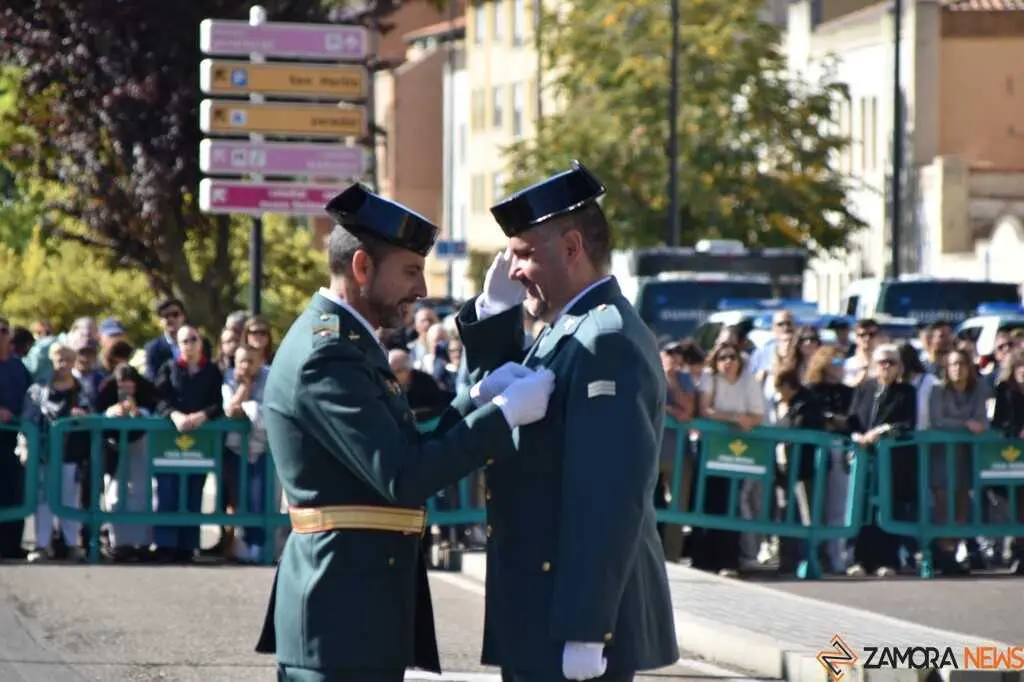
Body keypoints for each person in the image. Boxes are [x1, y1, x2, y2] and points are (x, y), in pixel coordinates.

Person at [253, 183, 556, 682]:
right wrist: (502, 415)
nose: (421, 290)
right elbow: (404, 475)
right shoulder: (328, 355)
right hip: (341, 614)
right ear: (362, 267)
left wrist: (476, 399)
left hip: (354, 610)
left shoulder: (348, 344)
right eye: (411, 271)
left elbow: (407, 446)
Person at [455, 161, 679, 682]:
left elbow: (607, 496)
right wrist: (492, 316)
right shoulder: (568, 329)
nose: (514, 271)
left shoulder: (604, 340)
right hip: (540, 605)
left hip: (567, 620)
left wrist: (587, 627)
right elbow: (502, 407)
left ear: (573, 248)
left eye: (524, 255)